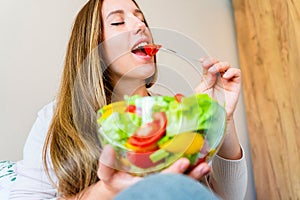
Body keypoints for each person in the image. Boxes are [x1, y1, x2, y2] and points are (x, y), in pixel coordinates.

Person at [9, 0, 247, 199]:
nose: (140, 25)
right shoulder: (56, 119)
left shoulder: (175, 115)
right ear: (94, 48)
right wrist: (106, 190)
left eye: (141, 18)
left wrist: (221, 118)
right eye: (118, 22)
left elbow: (225, 197)